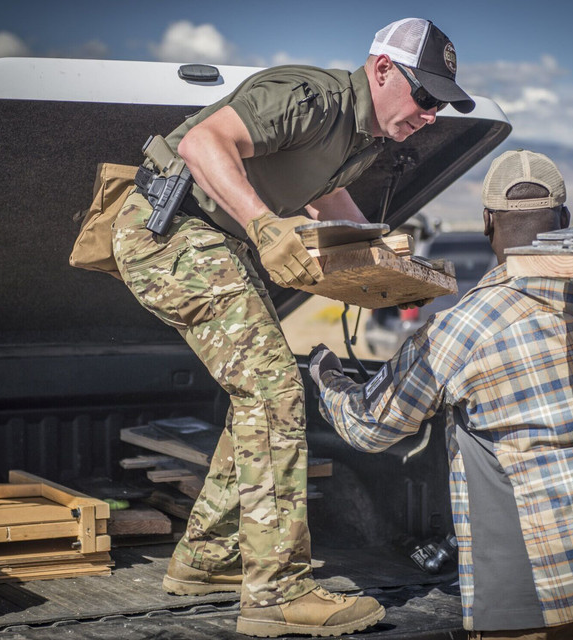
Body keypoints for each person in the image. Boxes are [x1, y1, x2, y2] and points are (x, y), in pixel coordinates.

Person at [112, 17, 474, 638]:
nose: (430, 114)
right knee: (274, 390)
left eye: (440, 104)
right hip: (170, 231)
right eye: (424, 95)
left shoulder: (361, 137)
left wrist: (388, 267)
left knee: (263, 395)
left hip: (215, 243)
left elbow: (330, 205)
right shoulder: (310, 96)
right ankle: (277, 593)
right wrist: (262, 225)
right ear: (382, 69)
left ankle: (207, 557)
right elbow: (202, 143)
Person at [309, 149, 573, 639]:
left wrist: (327, 380)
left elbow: (369, 428)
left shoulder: (464, 328)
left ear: (487, 222)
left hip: (528, 592)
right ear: (566, 220)